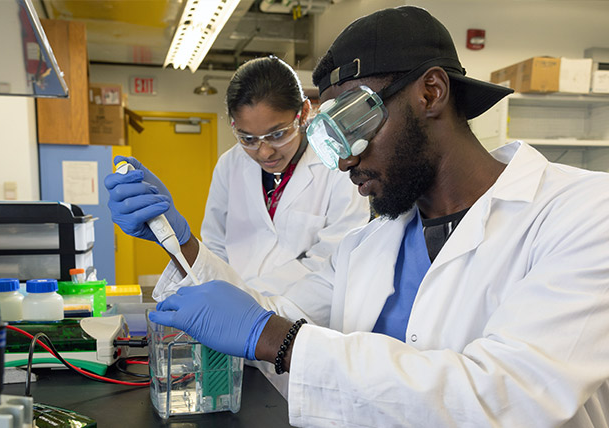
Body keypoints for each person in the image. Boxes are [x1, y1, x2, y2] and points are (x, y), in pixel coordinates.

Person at [105, 6, 609, 427]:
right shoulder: (370, 244)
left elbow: (513, 397)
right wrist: (178, 239)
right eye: (329, 135)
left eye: (353, 122)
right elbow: (268, 311)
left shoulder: (581, 213)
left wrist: (274, 338)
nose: (344, 159)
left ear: (431, 93)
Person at [114, 56, 370, 396]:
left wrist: (242, 300)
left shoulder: (335, 168)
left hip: (298, 335)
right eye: (247, 138)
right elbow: (216, 246)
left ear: (304, 112)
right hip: (230, 337)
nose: (264, 151)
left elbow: (331, 266)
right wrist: (180, 244)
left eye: (277, 134)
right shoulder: (230, 165)